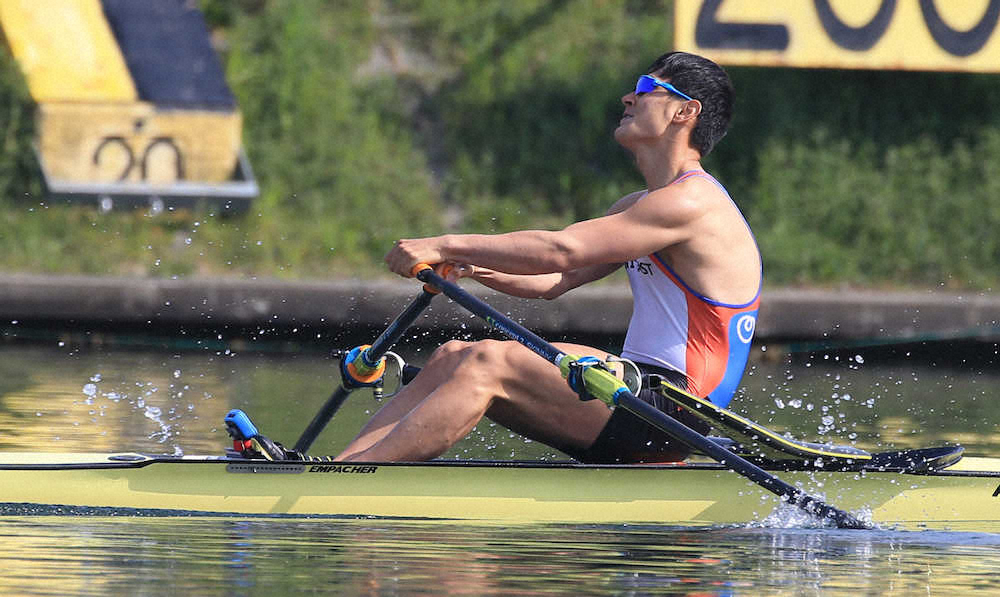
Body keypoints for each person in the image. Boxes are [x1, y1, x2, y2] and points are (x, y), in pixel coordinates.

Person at [335, 51, 761, 464]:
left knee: (488, 361)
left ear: (685, 112)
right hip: (639, 389)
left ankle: (344, 484)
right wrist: (475, 268)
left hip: (677, 409)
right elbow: (554, 281)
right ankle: (342, 465)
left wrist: (446, 244)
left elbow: (561, 250)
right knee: (450, 355)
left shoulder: (692, 202)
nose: (628, 98)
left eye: (647, 88)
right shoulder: (641, 206)